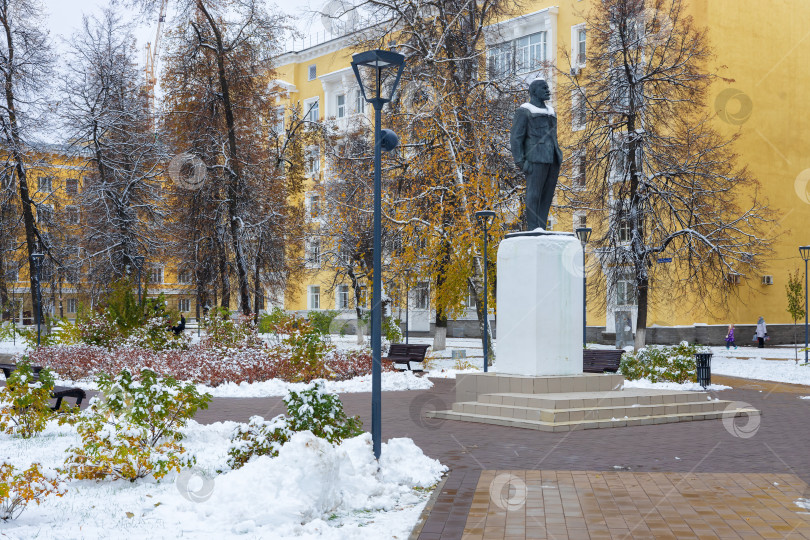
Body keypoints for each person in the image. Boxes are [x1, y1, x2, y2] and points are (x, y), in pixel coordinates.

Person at [510, 78, 563, 231]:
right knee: (534, 195)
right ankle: (534, 229)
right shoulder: (524, 111)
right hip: (535, 159)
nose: (548, 90)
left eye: (548, 87)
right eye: (544, 88)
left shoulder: (552, 113)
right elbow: (516, 137)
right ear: (534, 92)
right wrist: (520, 161)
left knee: (547, 196)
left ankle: (542, 227)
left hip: (553, 159)